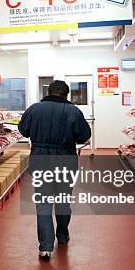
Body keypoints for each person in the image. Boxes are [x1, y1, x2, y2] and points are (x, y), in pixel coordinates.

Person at [18, 80, 91, 260]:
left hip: (41, 162)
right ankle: (63, 236)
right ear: (66, 94)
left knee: (43, 203)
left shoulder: (34, 109)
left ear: (48, 92)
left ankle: (45, 248)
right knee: (63, 201)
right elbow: (84, 135)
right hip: (66, 161)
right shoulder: (73, 111)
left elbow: (23, 130)